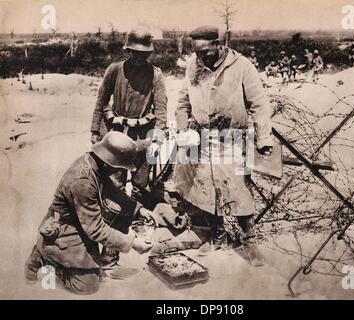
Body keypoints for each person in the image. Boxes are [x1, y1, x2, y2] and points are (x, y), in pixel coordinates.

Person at [174, 25, 274, 267]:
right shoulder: (193, 66)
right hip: (202, 136)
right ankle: (215, 234)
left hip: (231, 137)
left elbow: (258, 103)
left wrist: (264, 139)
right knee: (205, 186)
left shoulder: (241, 66)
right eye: (197, 53)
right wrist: (182, 129)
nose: (201, 57)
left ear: (218, 45)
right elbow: (183, 101)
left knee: (237, 187)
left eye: (205, 52)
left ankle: (249, 239)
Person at [25, 132, 154, 295]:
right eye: (120, 167)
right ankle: (45, 256)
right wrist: (132, 243)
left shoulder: (96, 163)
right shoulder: (83, 181)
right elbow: (95, 229)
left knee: (123, 211)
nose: (120, 170)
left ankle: (100, 262)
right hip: (64, 229)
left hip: (82, 221)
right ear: (110, 163)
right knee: (87, 286)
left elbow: (111, 191)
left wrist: (138, 209)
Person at [90, 26, 168, 188]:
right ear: (128, 50)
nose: (139, 56)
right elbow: (101, 100)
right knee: (115, 180)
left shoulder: (155, 75)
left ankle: (139, 211)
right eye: (135, 52)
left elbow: (161, 109)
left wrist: (157, 137)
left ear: (149, 53)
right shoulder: (114, 70)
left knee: (141, 181)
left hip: (142, 134)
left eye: (143, 53)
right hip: (116, 133)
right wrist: (95, 130)